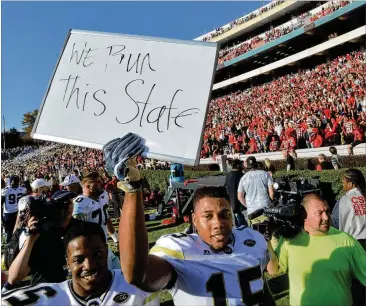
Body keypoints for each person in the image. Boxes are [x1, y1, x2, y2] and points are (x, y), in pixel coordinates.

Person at [108, 135, 278, 306]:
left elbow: (261, 289)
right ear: (194, 220)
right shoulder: (180, 250)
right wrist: (132, 189)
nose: (218, 223)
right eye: (208, 216)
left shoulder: (252, 239)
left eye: (224, 214)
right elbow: (136, 274)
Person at [1, 222, 158, 306]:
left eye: (97, 255)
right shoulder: (49, 296)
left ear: (107, 252)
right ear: (67, 262)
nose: (89, 265)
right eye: (78, 259)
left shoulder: (137, 283)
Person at [271, 193, 366, 306]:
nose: (326, 217)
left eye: (327, 211)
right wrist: (267, 240)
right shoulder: (289, 241)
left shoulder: (346, 240)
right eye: (319, 213)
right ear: (304, 215)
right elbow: (274, 270)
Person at [5, 191, 80, 286]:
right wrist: (30, 239)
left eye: (70, 202)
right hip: (42, 288)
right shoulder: (35, 232)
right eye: (64, 204)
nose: (68, 207)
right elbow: (13, 278)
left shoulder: (74, 227)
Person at [72, 172, 120, 270]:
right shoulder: (80, 203)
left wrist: (116, 239)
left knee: (119, 271)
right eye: (97, 182)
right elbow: (76, 230)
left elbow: (106, 219)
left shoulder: (103, 197)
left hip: (103, 245)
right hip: (91, 248)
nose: (101, 183)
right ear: (87, 186)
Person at [332, 169, 366, 248]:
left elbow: (335, 222)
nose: (342, 186)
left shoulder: (343, 200)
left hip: (352, 244)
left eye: (343, 183)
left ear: (350, 184)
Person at [237, 156, 274, 222]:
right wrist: (270, 203)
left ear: (247, 166)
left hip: (252, 211)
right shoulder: (265, 174)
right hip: (265, 208)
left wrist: (247, 206)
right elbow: (272, 192)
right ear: (256, 164)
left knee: (255, 230)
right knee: (268, 229)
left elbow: (240, 197)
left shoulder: (243, 178)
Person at [1, 176, 27, 243]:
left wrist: (1, 218)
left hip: (9, 214)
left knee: (10, 233)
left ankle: (9, 248)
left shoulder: (5, 190)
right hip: (19, 213)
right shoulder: (23, 189)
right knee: (18, 231)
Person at [224, 159, 247, 226]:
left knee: (236, 226)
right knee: (244, 226)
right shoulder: (241, 176)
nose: (242, 167)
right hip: (241, 205)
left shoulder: (228, 175)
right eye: (241, 165)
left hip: (231, 204)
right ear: (237, 166)